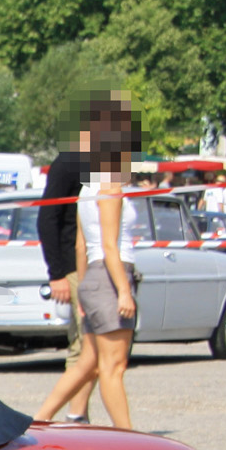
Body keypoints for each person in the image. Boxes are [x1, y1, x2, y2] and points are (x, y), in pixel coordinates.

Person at [36, 106, 142, 430]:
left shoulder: (86, 188)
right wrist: (124, 289)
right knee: (114, 366)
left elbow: (81, 246)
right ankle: (129, 437)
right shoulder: (110, 186)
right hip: (111, 274)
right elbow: (109, 246)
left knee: (88, 361)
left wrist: (82, 290)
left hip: (92, 277)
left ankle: (38, 419)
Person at [37, 110, 103, 421]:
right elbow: (47, 219)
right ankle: (62, 417)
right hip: (73, 266)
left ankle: (79, 415)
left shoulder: (98, 167)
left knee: (93, 344)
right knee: (83, 345)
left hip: (93, 262)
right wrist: (57, 274)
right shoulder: (67, 164)